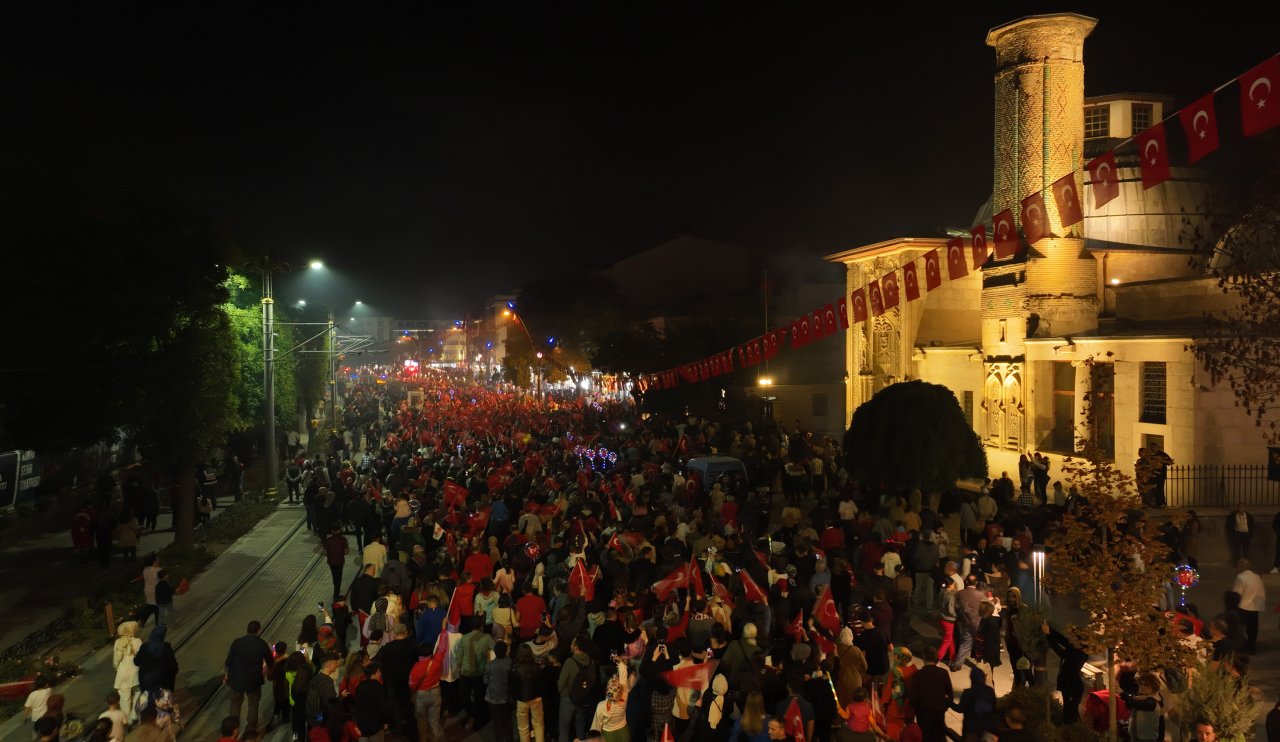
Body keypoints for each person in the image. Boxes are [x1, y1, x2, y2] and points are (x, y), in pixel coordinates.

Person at [223, 620, 274, 737]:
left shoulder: (237, 642)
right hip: (253, 680)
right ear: (258, 630)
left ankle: (233, 729)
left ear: (247, 629)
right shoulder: (261, 644)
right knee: (253, 704)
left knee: (235, 704)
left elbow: (228, 661)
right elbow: (270, 661)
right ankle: (251, 729)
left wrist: (227, 675)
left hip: (236, 680)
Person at [906, 645, 952, 741]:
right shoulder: (944, 673)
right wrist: (944, 707)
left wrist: (917, 709)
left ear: (924, 659)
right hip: (939, 712)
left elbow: (913, 698)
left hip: (923, 714)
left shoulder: (918, 675)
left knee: (925, 737)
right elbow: (950, 694)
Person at [1043, 621, 1086, 724]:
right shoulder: (1075, 647)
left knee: (1070, 712)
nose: (1069, 637)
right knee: (1069, 710)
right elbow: (1061, 639)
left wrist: (1048, 635)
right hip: (1068, 684)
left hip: (1073, 687)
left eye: (1071, 636)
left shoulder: (1079, 654)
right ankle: (1071, 729)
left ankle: (1072, 732)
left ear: (1078, 640)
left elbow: (1061, 652)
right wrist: (1049, 629)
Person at [951, 665, 996, 742]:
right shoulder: (990, 691)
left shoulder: (968, 693)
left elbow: (960, 709)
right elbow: (994, 706)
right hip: (987, 728)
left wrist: (948, 702)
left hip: (971, 730)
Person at [1232, 558, 1265, 654]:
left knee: (1240, 627)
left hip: (1244, 606)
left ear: (1240, 567)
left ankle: (1242, 646)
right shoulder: (1257, 576)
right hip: (1255, 606)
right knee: (1253, 628)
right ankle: (1252, 646)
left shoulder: (1241, 577)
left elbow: (1236, 594)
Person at [484, 641, 515, 742]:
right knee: (508, 721)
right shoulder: (510, 663)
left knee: (497, 722)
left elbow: (485, 680)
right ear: (506, 651)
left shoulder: (490, 664)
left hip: (493, 698)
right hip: (507, 697)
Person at [134, 626, 179, 694]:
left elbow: (136, 662)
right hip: (163, 681)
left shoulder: (144, 647)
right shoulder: (166, 648)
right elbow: (172, 664)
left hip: (146, 681)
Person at [113, 621, 143, 723]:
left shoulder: (118, 642)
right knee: (138, 692)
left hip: (122, 674)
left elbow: (116, 660)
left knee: (124, 698)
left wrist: (116, 669)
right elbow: (140, 657)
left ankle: (127, 720)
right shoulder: (137, 641)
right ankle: (135, 714)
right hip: (135, 673)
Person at [354, 661, 391, 741]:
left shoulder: (359, 687)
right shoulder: (378, 687)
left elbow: (356, 705)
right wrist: (386, 721)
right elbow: (383, 707)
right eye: (378, 672)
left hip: (362, 725)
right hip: (376, 726)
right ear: (373, 674)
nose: (380, 674)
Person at [325, 527, 351, 601]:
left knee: (334, 575)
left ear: (332, 531)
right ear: (339, 530)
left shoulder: (328, 540)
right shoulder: (343, 539)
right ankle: (336, 594)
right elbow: (346, 552)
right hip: (339, 561)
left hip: (331, 562)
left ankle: (336, 589)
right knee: (339, 577)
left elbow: (325, 552)